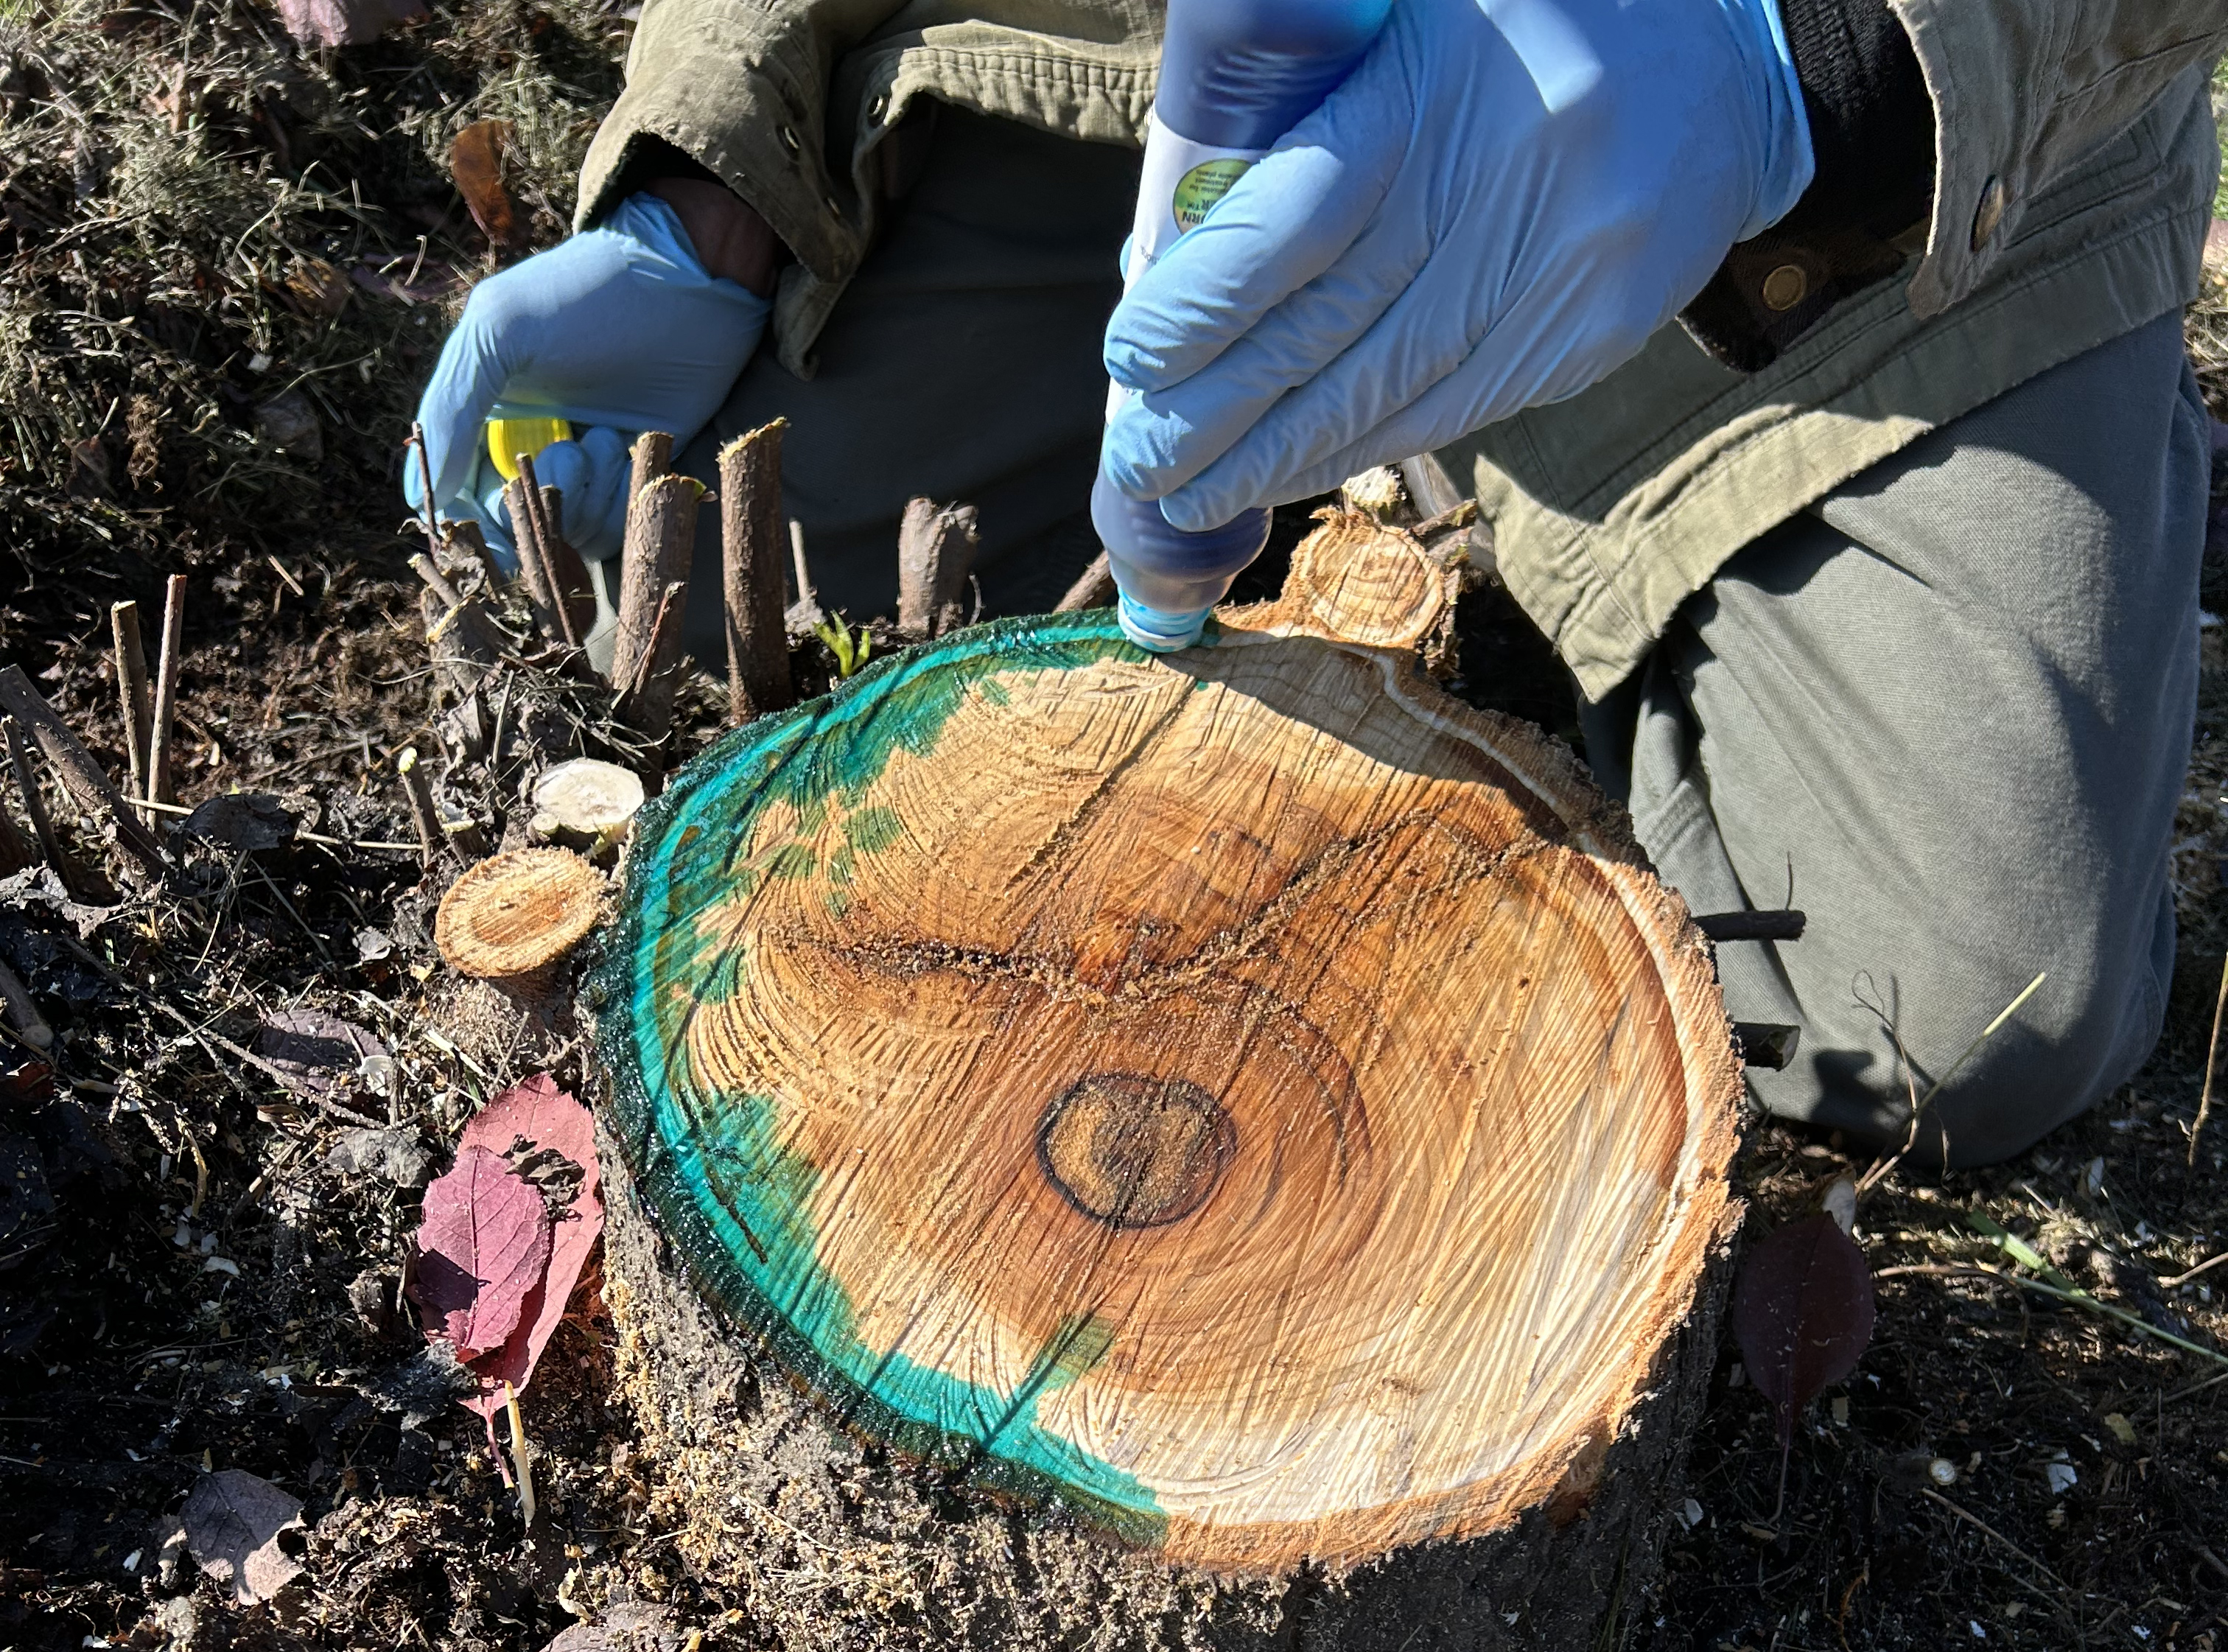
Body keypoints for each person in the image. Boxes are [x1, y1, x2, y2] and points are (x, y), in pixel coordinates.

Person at [408, 0, 2228, 1166]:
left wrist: (1798, 58)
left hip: (1842, 170)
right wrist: (718, 167)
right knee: (750, 559)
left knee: (1942, 1012)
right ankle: (1334, 435)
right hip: (1163, 52)